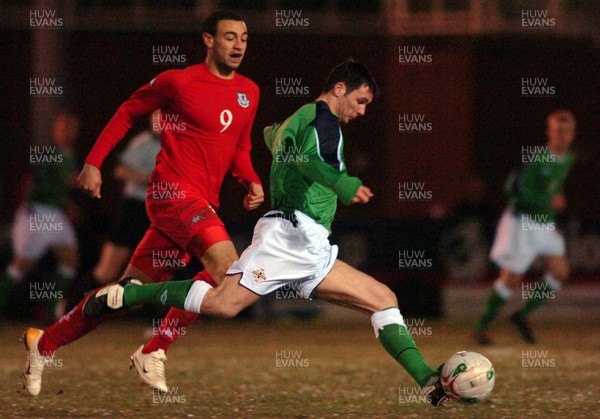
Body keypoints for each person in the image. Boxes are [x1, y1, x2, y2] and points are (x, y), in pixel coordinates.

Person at [84, 60, 450, 407]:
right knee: (224, 305)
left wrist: (277, 140)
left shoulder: (302, 117)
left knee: (383, 299)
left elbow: (272, 136)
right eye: (360, 101)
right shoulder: (323, 122)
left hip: (311, 244)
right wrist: (342, 181)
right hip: (290, 236)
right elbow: (304, 159)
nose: (362, 111)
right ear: (339, 88)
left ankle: (428, 382)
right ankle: (131, 293)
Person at [21, 10, 264, 397]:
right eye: (230, 37)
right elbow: (127, 111)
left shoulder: (249, 91)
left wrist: (249, 178)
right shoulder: (178, 82)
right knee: (227, 270)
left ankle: (44, 343)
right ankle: (155, 349)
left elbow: (239, 147)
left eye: (244, 38)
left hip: (200, 202)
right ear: (208, 40)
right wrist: (93, 162)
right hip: (172, 193)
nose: (239, 45)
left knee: (124, 294)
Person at [473, 110, 576, 345]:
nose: (563, 136)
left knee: (560, 272)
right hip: (522, 222)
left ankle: (522, 315)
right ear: (549, 132)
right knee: (511, 278)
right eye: (559, 131)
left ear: (572, 134)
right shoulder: (538, 158)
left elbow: (552, 186)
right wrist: (546, 201)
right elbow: (513, 189)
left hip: (545, 223)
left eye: (567, 131)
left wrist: (554, 197)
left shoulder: (568, 158)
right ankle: (481, 328)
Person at [0, 111, 80, 321]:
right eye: (63, 126)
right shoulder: (53, 154)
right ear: (56, 130)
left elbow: (57, 188)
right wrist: (94, 175)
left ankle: (54, 311)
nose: (67, 131)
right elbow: (69, 181)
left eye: (71, 127)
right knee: (22, 266)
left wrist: (69, 205)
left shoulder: (69, 154)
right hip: (38, 215)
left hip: (55, 215)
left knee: (70, 260)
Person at [89, 110, 161, 287]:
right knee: (107, 269)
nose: (160, 121)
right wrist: (151, 179)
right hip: (134, 208)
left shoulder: (176, 144)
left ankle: (152, 312)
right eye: (156, 117)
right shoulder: (143, 141)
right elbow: (120, 171)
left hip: (159, 212)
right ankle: (74, 306)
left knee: (157, 270)